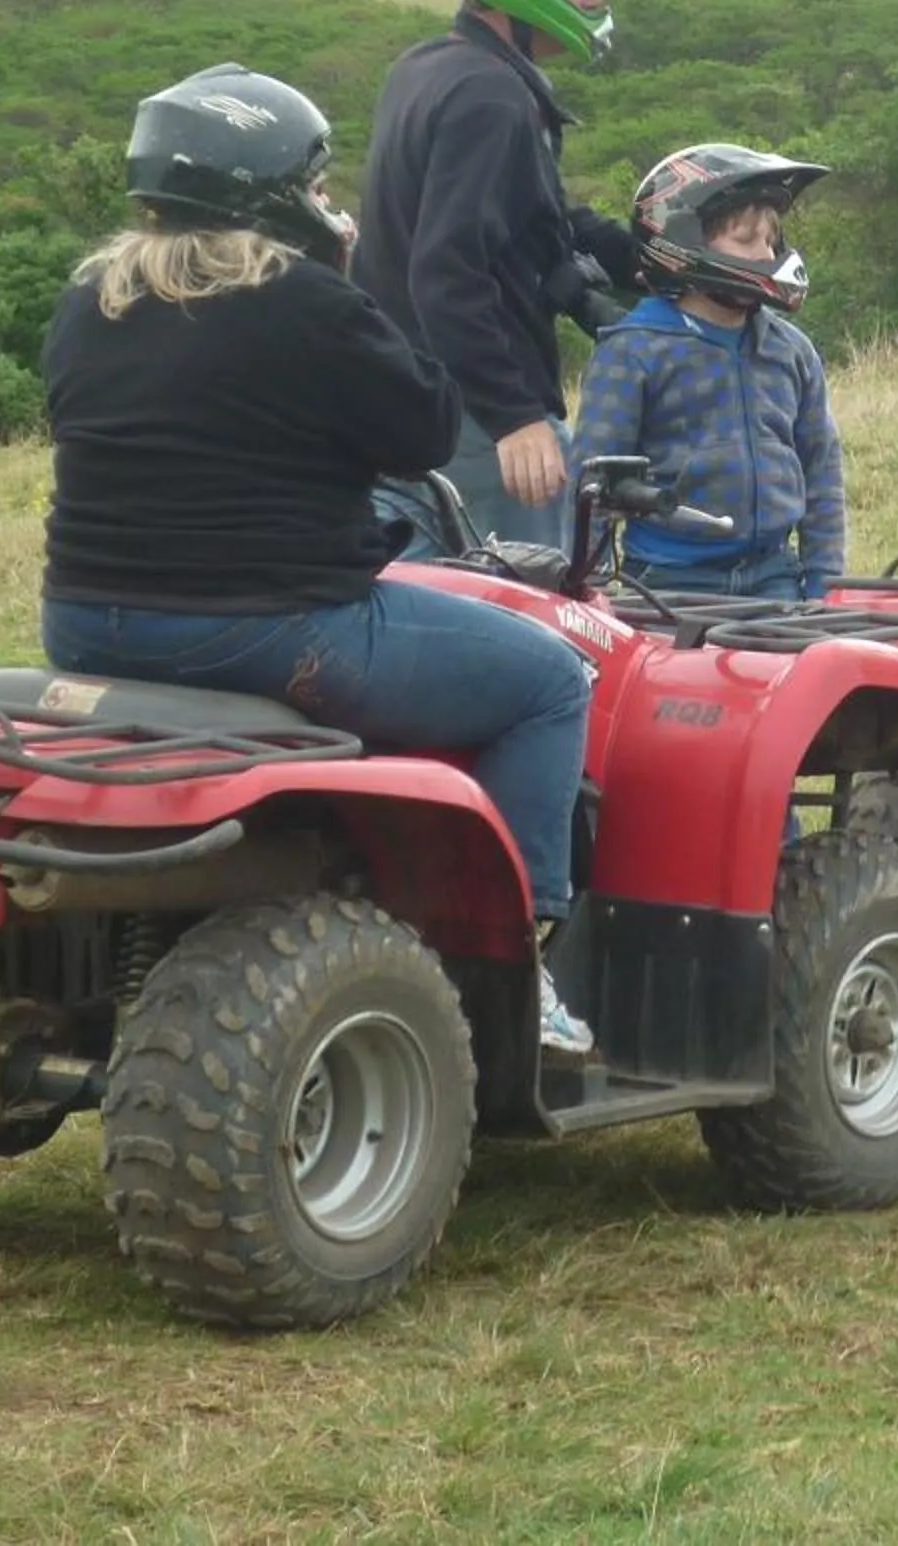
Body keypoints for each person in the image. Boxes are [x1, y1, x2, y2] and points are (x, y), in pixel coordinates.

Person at [42, 62, 600, 1059]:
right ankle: (516, 961)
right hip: (269, 627)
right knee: (550, 682)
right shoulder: (303, 301)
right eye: (313, 182)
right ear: (269, 192)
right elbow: (425, 429)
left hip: (88, 624)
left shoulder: (93, 297)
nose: (325, 198)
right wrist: (349, 281)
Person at [353, 0, 661, 549]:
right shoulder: (490, 97)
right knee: (538, 599)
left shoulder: (431, 66)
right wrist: (514, 415)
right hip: (475, 416)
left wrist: (650, 263)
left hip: (405, 397)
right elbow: (446, 270)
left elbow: (532, 215)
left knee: (420, 590)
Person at [570, 145, 846, 601]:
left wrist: (825, 586)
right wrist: (590, 591)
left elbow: (822, 473)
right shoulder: (633, 350)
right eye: (747, 239)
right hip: (666, 580)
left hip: (775, 576)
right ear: (684, 243)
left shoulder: (790, 350)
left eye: (771, 241)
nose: (766, 253)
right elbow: (591, 485)